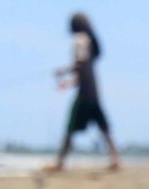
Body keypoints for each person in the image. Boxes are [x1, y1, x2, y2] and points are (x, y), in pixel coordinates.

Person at [50, 12, 120, 171]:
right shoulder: (90, 42)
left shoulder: (80, 39)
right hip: (93, 91)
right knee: (104, 127)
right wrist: (69, 82)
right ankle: (115, 158)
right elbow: (85, 69)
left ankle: (60, 162)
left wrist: (64, 72)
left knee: (70, 128)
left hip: (83, 94)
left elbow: (81, 63)